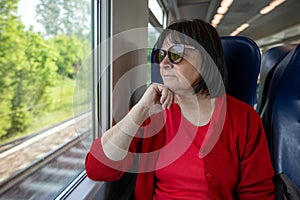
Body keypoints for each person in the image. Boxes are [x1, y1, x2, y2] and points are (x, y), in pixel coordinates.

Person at [85, 19, 276, 200]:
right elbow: (97, 169)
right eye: (160, 55)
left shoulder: (244, 119)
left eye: (176, 54)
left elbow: (257, 193)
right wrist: (140, 110)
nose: (164, 63)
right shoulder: (152, 112)